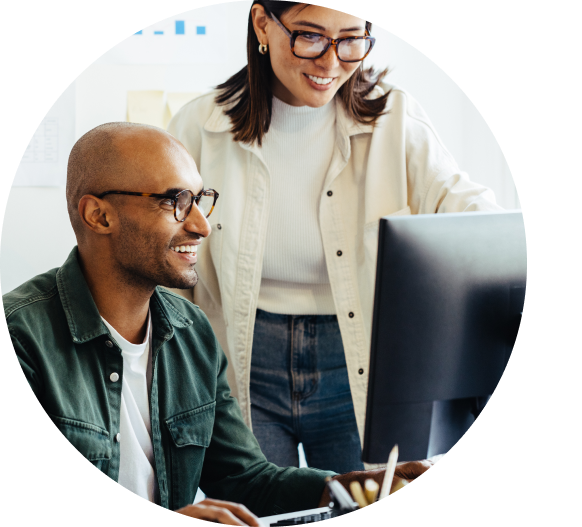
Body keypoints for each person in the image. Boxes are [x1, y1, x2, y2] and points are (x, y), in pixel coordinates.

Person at [5, 122, 432, 524]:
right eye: (176, 202)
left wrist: (352, 488)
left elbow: (247, 480)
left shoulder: (192, 331)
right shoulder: (23, 336)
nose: (201, 225)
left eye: (200, 200)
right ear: (99, 216)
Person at [167, 1, 503, 473]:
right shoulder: (199, 127)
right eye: (309, 36)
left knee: (364, 496)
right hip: (242, 359)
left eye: (350, 40)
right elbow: (160, 252)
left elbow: (477, 221)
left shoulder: (396, 119)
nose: (330, 63)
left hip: (357, 357)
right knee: (264, 508)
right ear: (263, 24)